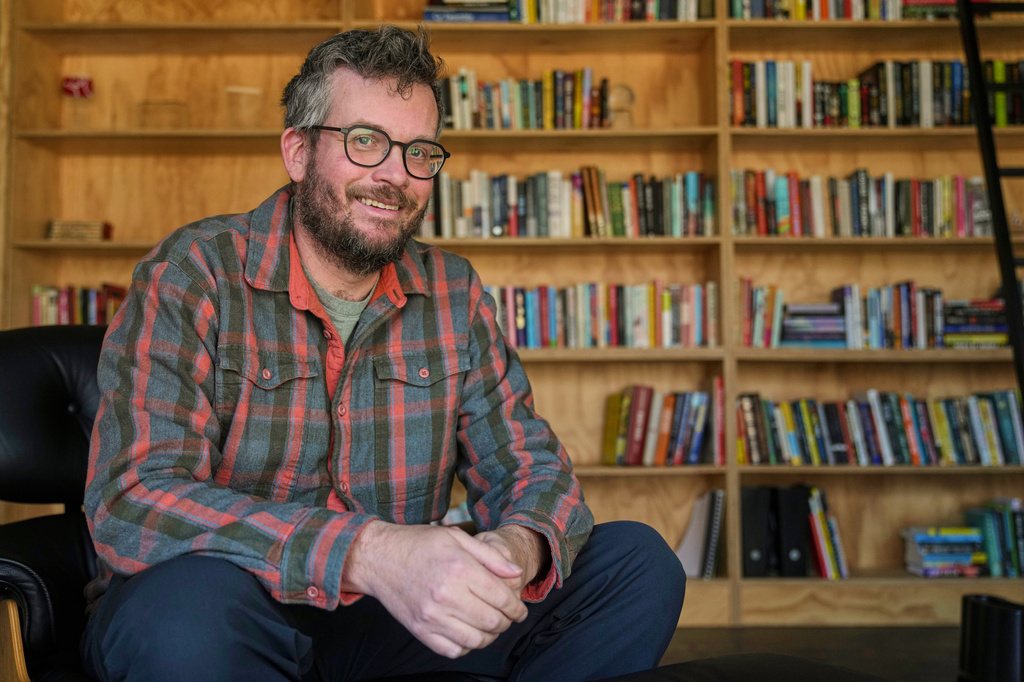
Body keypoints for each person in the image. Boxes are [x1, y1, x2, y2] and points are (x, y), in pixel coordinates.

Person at [82, 25, 685, 682]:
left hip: (390, 622)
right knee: (179, 615)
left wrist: (509, 553)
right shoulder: (193, 274)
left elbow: (533, 472)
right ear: (298, 150)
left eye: (420, 151)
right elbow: (133, 500)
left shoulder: (452, 292)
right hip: (234, 612)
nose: (396, 176)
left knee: (636, 563)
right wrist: (367, 552)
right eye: (366, 141)